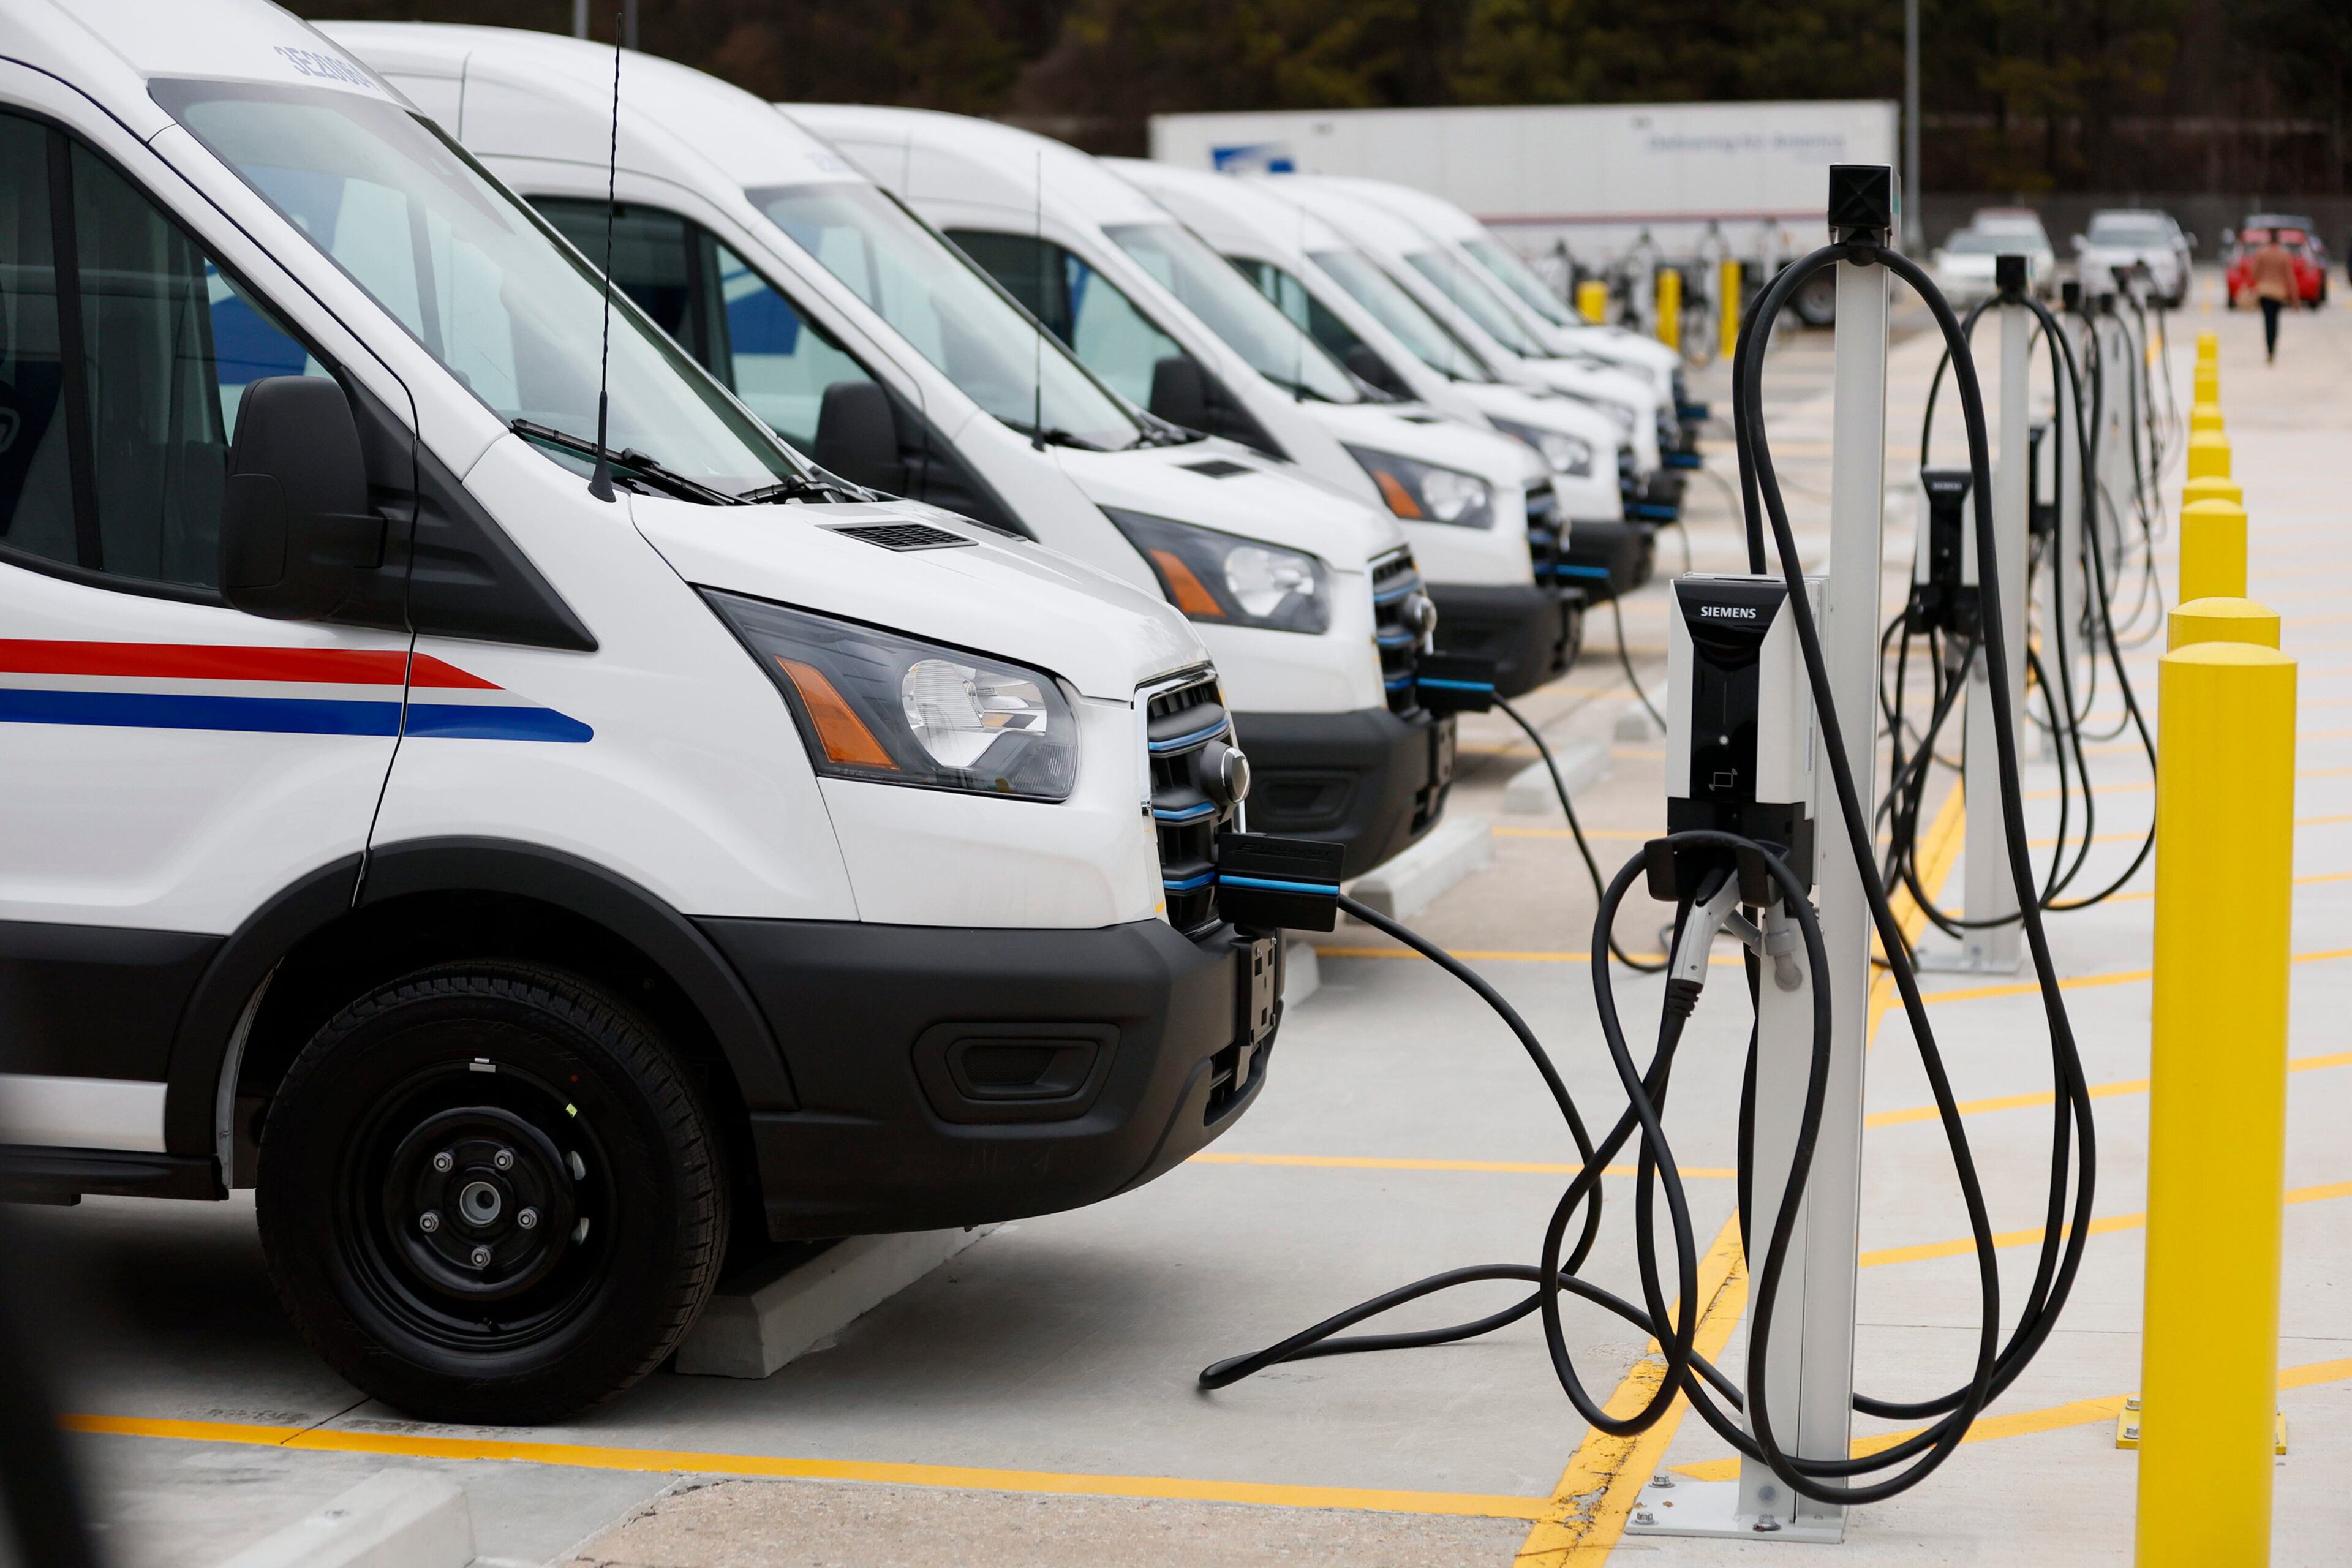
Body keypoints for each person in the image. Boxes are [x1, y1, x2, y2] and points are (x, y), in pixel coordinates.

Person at [2250, 229, 2297, 363]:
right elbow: (2290, 277)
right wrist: (2295, 298)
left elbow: (2254, 273)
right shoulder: (2284, 255)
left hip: (2265, 291)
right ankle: (2273, 348)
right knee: (2275, 321)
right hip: (2278, 293)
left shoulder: (2262, 253)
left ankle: (2269, 348)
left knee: (2267, 321)